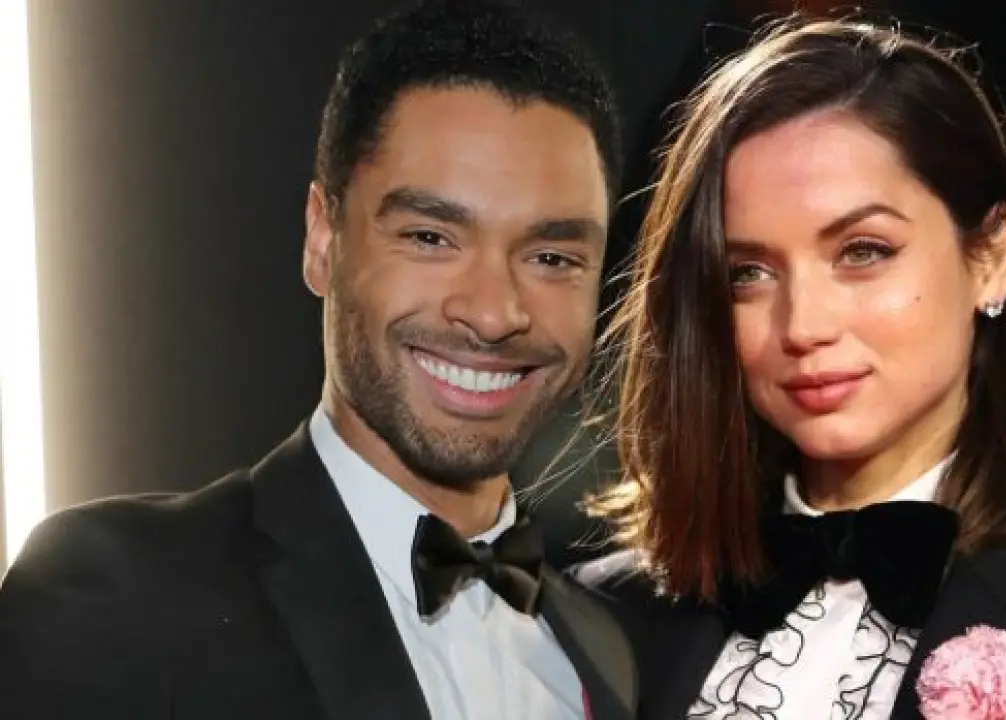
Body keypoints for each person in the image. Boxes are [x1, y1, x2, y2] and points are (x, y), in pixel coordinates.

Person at [576, 15, 1006, 720]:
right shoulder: (595, 622)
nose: (804, 326)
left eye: (863, 252)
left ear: (991, 256)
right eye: (748, 273)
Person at [0, 2, 637, 719]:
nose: (493, 313)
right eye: (430, 238)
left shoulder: (606, 648)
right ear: (322, 241)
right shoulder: (124, 601)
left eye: (551, 257)